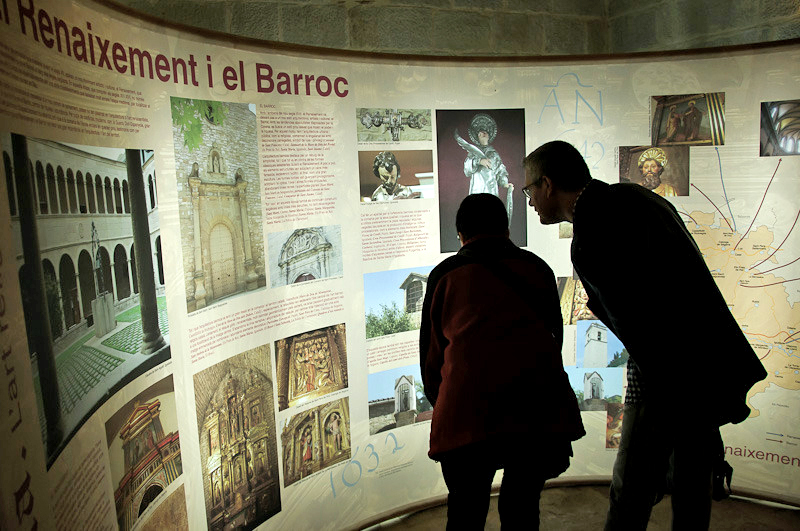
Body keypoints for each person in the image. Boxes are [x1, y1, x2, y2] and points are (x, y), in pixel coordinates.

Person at [522, 140, 768, 530]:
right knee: (691, 487)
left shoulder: (593, 230)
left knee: (632, 489)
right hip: (705, 365)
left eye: (529, 190)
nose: (530, 201)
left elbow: (643, 325)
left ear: (548, 184)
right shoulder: (635, 197)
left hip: (666, 374)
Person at [420, 193, 585, 529]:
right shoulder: (537, 269)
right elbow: (554, 338)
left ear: (461, 235)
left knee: (466, 511)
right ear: (506, 229)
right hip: (533, 413)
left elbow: (432, 357)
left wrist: (444, 403)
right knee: (523, 509)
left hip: (466, 413)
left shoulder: (445, 276)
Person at [455, 113, 514, 222]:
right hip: (477, 187)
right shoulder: (473, 153)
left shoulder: (494, 154)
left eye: (485, 132)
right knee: (476, 214)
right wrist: (479, 161)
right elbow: (467, 169)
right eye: (481, 132)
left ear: (489, 135)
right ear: (477, 136)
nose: (483, 133)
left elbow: (500, 169)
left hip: (491, 188)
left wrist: (504, 182)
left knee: (491, 214)